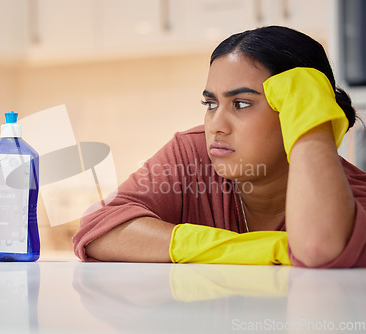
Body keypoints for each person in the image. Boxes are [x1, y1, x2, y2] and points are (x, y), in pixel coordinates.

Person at [72, 26, 366, 268]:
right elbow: (98, 227)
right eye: (211, 103)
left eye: (241, 104)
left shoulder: (353, 193)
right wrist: (260, 250)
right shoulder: (192, 153)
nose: (216, 125)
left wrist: (314, 119)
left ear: (293, 109)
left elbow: (316, 246)